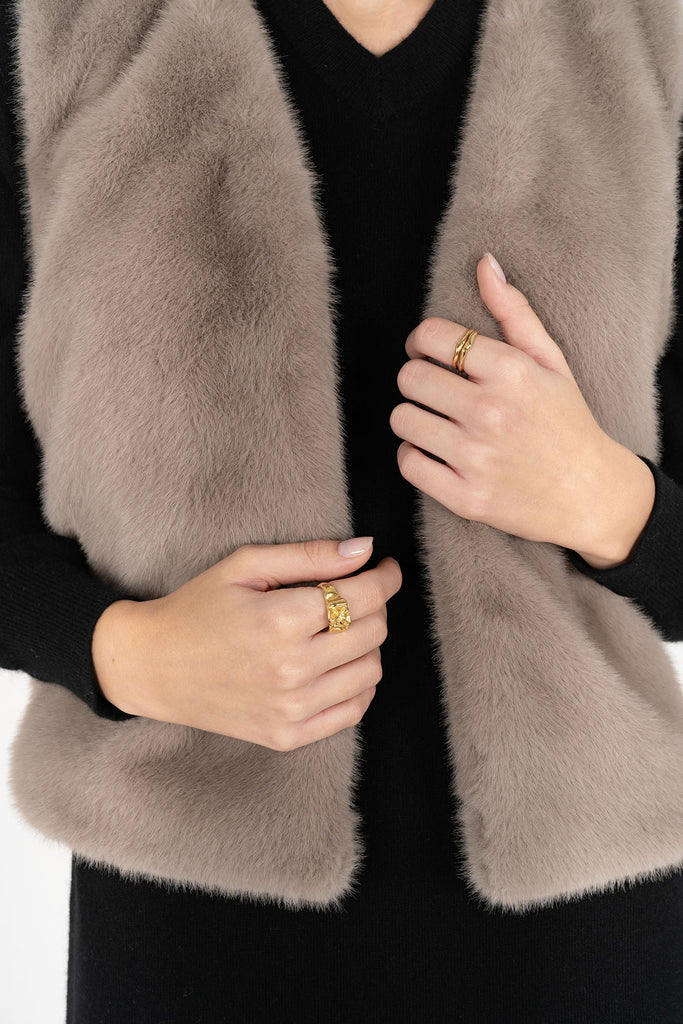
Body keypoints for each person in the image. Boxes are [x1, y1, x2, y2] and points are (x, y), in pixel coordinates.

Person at [2, 1, 682, 1021]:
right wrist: (125, 652)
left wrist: (607, 499)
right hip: (190, 936)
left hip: (582, 943)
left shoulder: (635, 33)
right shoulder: (65, 31)